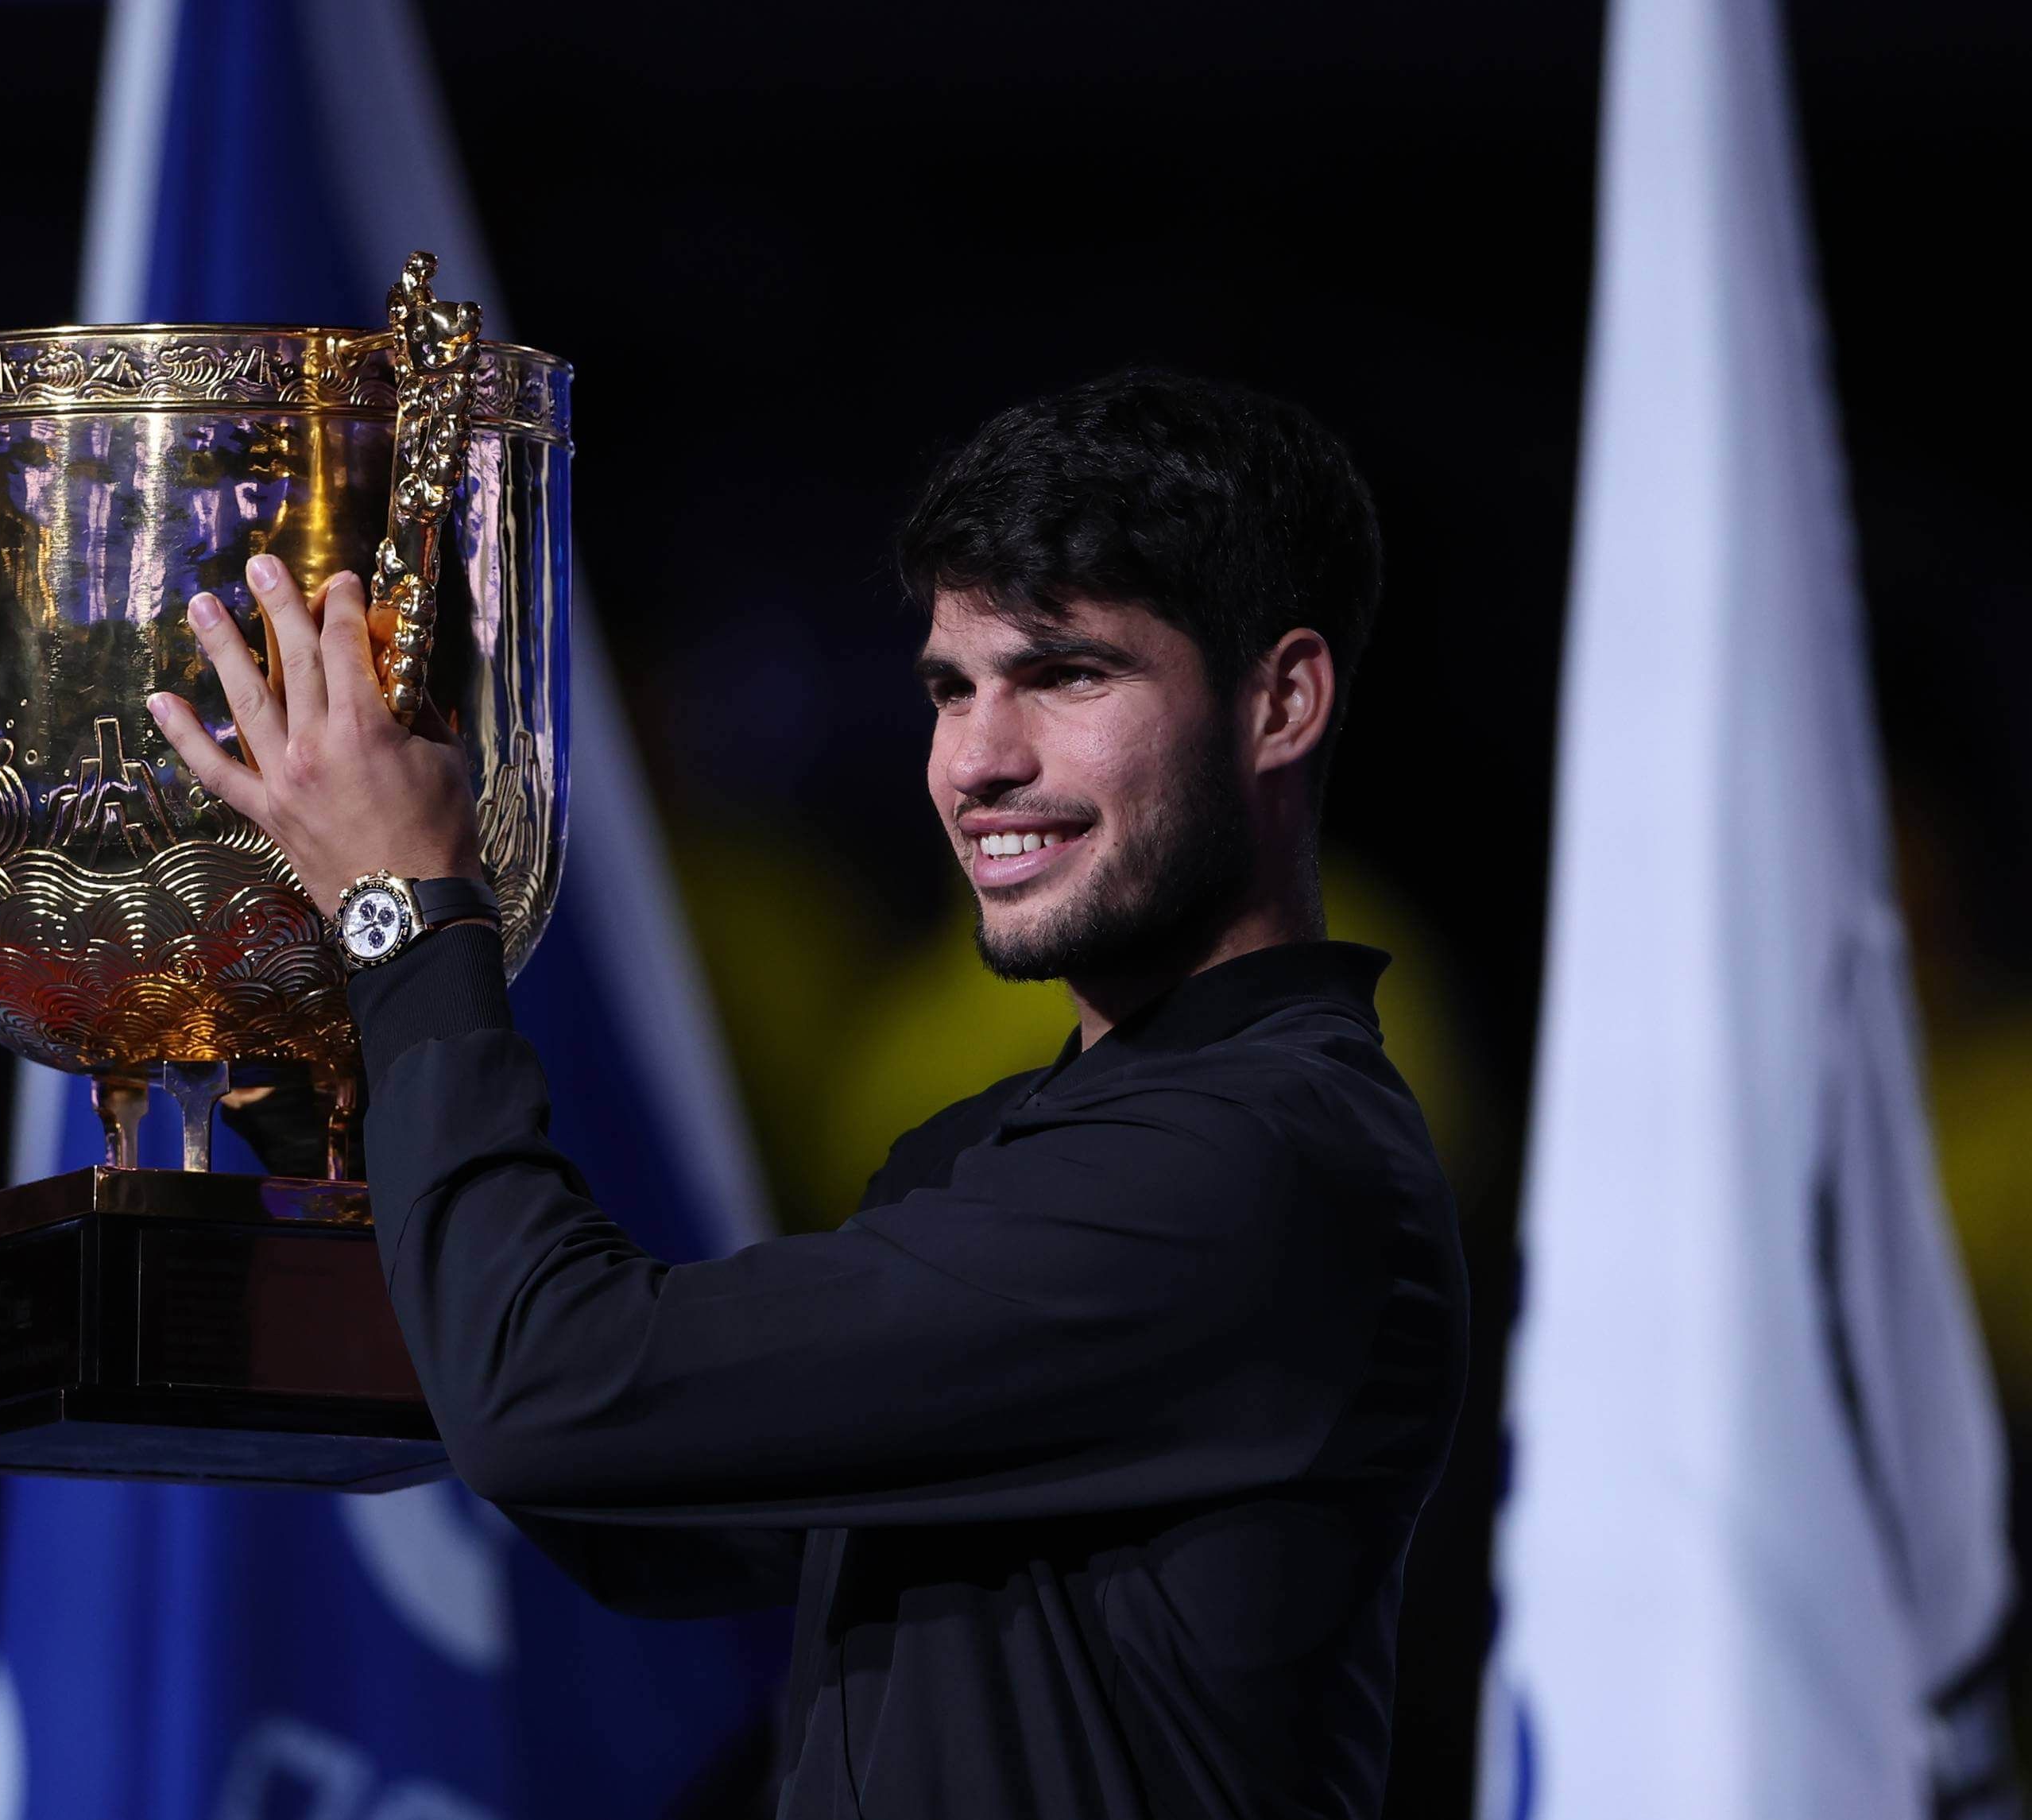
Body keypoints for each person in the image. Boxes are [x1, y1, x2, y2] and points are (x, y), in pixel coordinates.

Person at [149, 369, 1469, 1818]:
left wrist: (407, 912)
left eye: (1068, 674)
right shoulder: (995, 1150)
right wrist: (299, 1063)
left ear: (1282, 701)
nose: (980, 760)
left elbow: (558, 1398)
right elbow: (637, 1507)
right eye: (951, 688)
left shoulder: (1255, 1160)